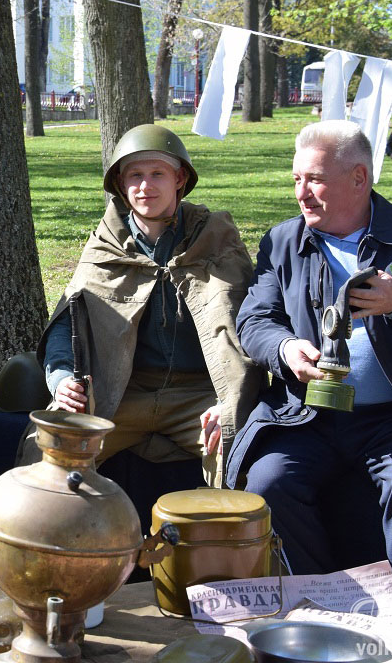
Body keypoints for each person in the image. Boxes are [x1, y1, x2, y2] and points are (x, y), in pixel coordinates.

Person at [227, 119, 392, 599]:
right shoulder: (282, 241)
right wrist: (285, 349)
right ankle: (326, 606)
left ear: (360, 179)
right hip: (306, 415)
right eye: (297, 180)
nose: (302, 193)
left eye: (315, 179)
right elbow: (254, 321)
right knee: (268, 480)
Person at [29, 125, 261, 484]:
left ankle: (222, 542)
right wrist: (60, 379)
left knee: (237, 448)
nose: (145, 186)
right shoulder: (106, 245)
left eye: (157, 174)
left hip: (199, 394)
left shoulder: (215, 239)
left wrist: (230, 398)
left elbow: (248, 322)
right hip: (121, 393)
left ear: (179, 178)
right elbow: (68, 319)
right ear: (121, 185)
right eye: (135, 175)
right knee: (51, 448)